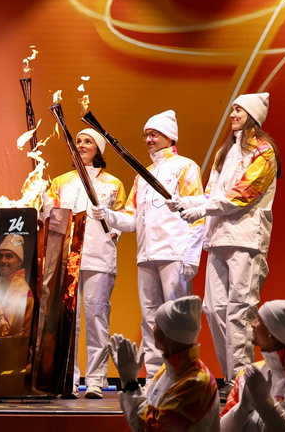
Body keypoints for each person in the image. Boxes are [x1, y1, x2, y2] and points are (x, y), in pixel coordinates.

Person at [172, 93, 280, 400]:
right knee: (214, 309)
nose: (232, 114)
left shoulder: (264, 151)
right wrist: (186, 202)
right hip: (218, 237)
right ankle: (233, 378)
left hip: (246, 239)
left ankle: (242, 383)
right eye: (232, 109)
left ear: (253, 116)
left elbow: (242, 195)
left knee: (239, 311)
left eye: (238, 110)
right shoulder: (226, 151)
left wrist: (201, 210)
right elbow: (213, 194)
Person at [93, 110, 204, 386]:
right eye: (146, 135)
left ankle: (182, 378)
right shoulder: (143, 176)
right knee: (150, 319)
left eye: (154, 134)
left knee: (177, 318)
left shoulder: (185, 167)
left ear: (170, 136)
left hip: (174, 253)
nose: (148, 140)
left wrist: (191, 256)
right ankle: (155, 379)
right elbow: (132, 219)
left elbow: (198, 213)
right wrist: (108, 215)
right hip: (146, 255)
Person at [41, 128, 126, 399]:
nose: (81, 145)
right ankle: (69, 378)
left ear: (98, 149)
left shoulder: (113, 183)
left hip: (99, 258)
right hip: (67, 259)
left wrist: (115, 232)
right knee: (68, 322)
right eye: (78, 141)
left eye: (88, 141)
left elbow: (123, 216)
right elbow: (51, 217)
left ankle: (96, 381)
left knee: (97, 319)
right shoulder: (60, 182)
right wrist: (42, 199)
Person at [109, 296, 220, 432]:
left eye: (157, 325)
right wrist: (128, 380)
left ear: (167, 334)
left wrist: (129, 381)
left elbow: (150, 427)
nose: (153, 329)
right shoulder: (168, 369)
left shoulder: (196, 383)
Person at [221, 300, 285, 431]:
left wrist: (264, 401)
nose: (253, 324)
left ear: (273, 333)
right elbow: (220, 429)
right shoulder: (247, 373)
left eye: (259, 320)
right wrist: (243, 407)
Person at [0, 234, 34, 338]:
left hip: (13, 348)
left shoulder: (22, 291)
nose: (3, 261)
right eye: (0, 256)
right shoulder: (1, 283)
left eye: (9, 256)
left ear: (19, 261)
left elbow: (5, 329)